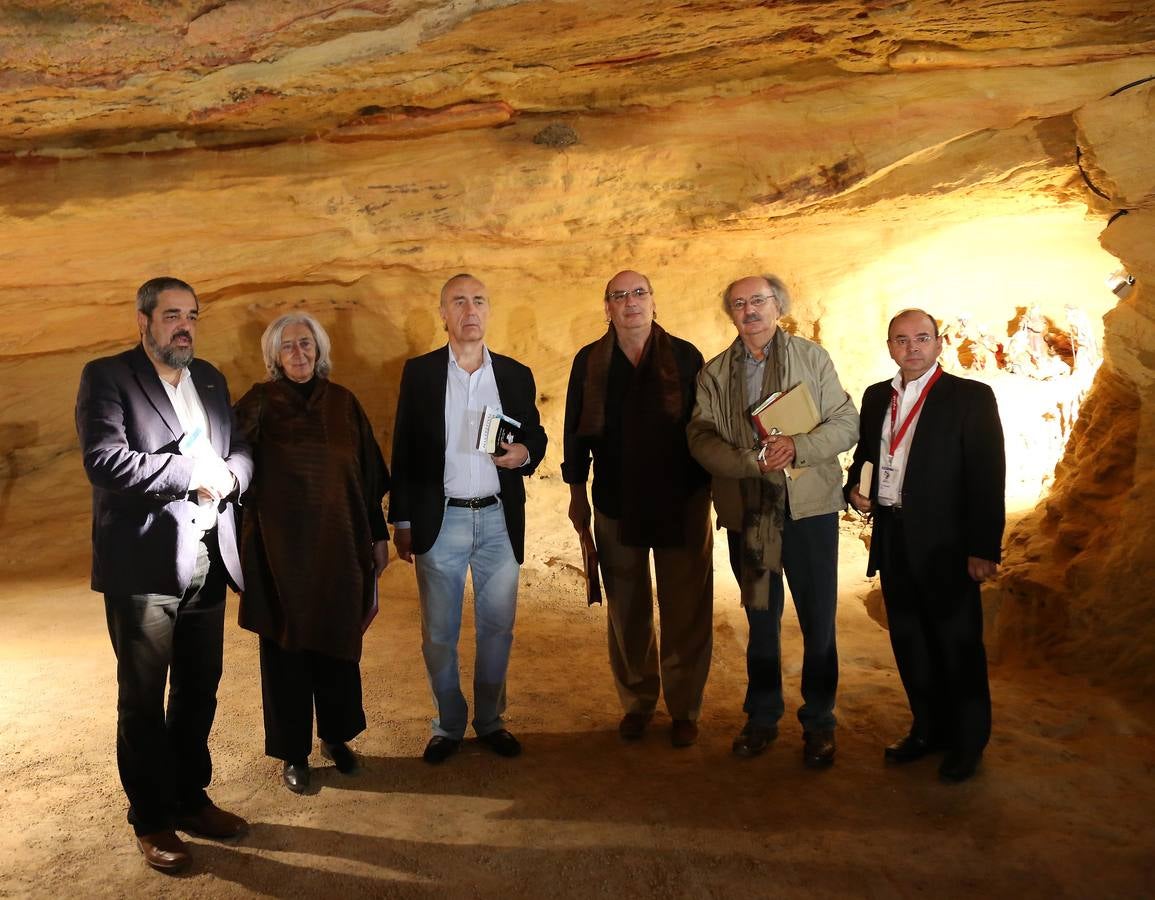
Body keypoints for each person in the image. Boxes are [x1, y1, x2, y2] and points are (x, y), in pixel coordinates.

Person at [75, 277, 253, 873]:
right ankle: (151, 819)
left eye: (192, 316)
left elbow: (240, 448)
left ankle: (190, 797)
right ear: (144, 321)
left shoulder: (211, 379)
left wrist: (233, 476)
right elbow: (104, 460)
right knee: (144, 698)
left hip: (207, 557)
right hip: (145, 562)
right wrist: (191, 475)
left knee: (200, 687)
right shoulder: (109, 376)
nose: (184, 327)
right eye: (172, 315)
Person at [688, 274, 858, 768]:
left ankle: (820, 722)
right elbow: (700, 437)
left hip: (809, 509)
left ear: (778, 306)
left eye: (759, 300)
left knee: (817, 620)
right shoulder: (715, 373)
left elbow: (846, 422)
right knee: (761, 618)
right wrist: (749, 461)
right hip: (754, 510)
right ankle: (762, 717)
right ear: (732, 314)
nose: (750, 310)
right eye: (739, 304)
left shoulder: (812, 358)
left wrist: (798, 447)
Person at [389, 274, 547, 764]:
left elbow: (536, 435)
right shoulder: (420, 373)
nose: (469, 310)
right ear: (444, 313)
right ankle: (449, 725)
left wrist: (524, 453)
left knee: (497, 630)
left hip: (499, 519)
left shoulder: (515, 374)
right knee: (439, 634)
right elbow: (404, 447)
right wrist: (402, 520)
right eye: (458, 301)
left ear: (488, 310)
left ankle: (491, 721)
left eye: (478, 300)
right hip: (443, 520)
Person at [846, 308, 1005, 783]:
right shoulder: (877, 396)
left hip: (948, 543)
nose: (911, 347)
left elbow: (987, 474)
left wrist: (983, 547)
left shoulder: (970, 397)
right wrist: (855, 489)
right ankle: (928, 729)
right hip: (893, 536)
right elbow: (866, 457)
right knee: (910, 640)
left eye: (921, 338)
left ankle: (967, 742)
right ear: (889, 347)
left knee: (957, 644)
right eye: (901, 339)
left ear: (939, 344)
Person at [233, 312, 390, 794]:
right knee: (287, 648)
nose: (298, 353)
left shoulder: (343, 403)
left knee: (338, 641)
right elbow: (232, 470)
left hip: (339, 546)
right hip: (280, 553)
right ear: (274, 356)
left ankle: (336, 737)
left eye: (306, 343)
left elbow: (366, 477)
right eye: (288, 346)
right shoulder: (259, 403)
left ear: (319, 350)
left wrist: (377, 536)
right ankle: (293, 752)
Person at [562, 270, 713, 747]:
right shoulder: (590, 360)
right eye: (619, 295)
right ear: (607, 307)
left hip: (682, 499)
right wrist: (576, 495)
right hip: (616, 499)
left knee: (686, 606)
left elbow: (705, 427)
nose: (630, 302)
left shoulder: (686, 356)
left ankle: (684, 707)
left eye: (639, 293)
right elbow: (574, 433)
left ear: (653, 300)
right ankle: (638, 701)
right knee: (627, 608)